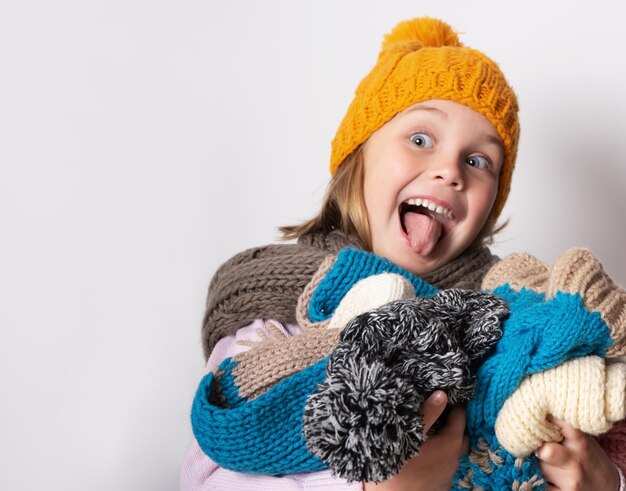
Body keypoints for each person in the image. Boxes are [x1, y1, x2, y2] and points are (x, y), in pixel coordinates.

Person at [181, 17, 626, 491]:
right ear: (359, 154)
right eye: (420, 140)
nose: (450, 171)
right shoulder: (273, 321)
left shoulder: (512, 320)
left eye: (479, 162)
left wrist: (607, 482)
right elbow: (208, 477)